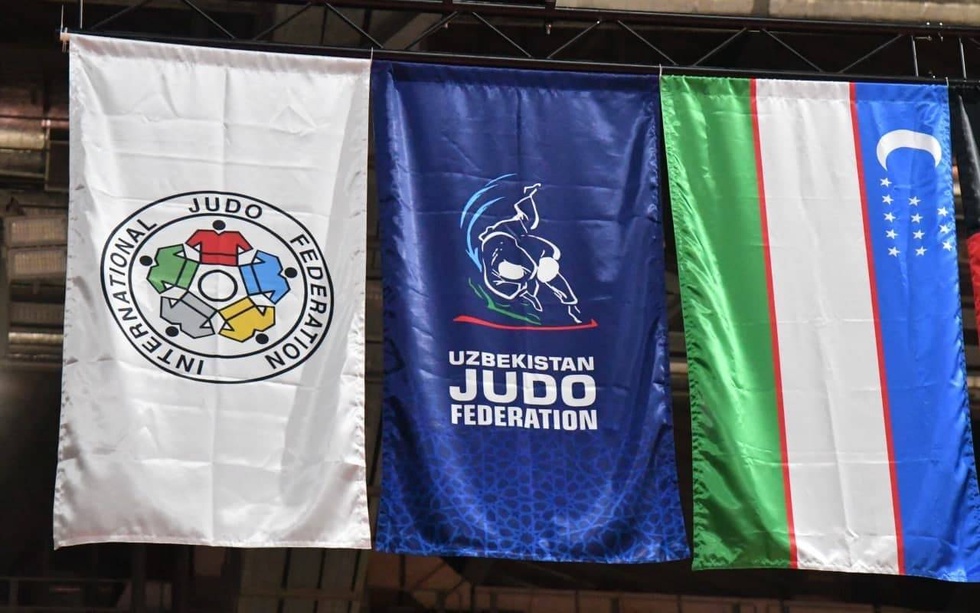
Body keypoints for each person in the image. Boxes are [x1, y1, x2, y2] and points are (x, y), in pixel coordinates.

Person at [477, 183, 582, 323]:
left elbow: (548, 277)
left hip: (506, 243)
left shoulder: (540, 254)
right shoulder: (507, 272)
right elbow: (529, 275)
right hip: (501, 243)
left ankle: (526, 197)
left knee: (530, 226)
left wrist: (570, 303)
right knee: (531, 267)